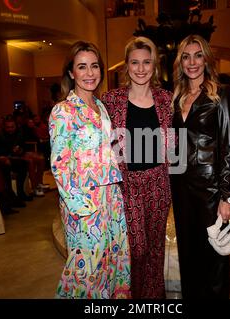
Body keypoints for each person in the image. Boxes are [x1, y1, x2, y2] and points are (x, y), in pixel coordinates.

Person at [49, 41, 131, 299]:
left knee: (113, 263)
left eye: (94, 66)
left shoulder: (101, 106)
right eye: (81, 67)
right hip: (84, 203)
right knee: (86, 271)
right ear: (71, 72)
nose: (89, 73)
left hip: (112, 200)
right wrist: (80, 208)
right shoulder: (63, 111)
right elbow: (60, 165)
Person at [102, 36, 172, 299]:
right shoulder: (112, 100)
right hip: (127, 185)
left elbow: (174, 145)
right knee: (135, 249)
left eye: (146, 62)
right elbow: (103, 144)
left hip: (159, 184)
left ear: (154, 66)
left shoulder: (166, 99)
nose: (141, 68)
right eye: (135, 62)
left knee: (155, 250)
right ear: (126, 65)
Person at [170, 34, 230, 299]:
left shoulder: (220, 93)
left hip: (209, 188)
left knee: (214, 256)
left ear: (206, 59)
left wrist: (227, 195)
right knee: (187, 251)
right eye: (186, 56)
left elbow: (228, 147)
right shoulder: (176, 97)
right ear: (180, 62)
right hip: (180, 185)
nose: (192, 62)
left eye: (198, 55)